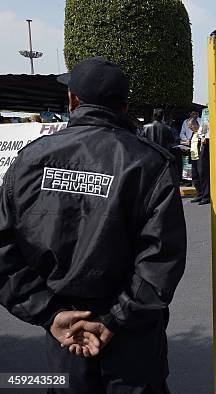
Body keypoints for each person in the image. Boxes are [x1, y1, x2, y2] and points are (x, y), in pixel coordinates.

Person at [0, 57, 187, 393]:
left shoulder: (30, 159)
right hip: (134, 337)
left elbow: (4, 249)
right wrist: (115, 318)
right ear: (124, 106)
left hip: (65, 331)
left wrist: (50, 314)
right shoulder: (149, 162)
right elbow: (161, 258)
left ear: (72, 100)